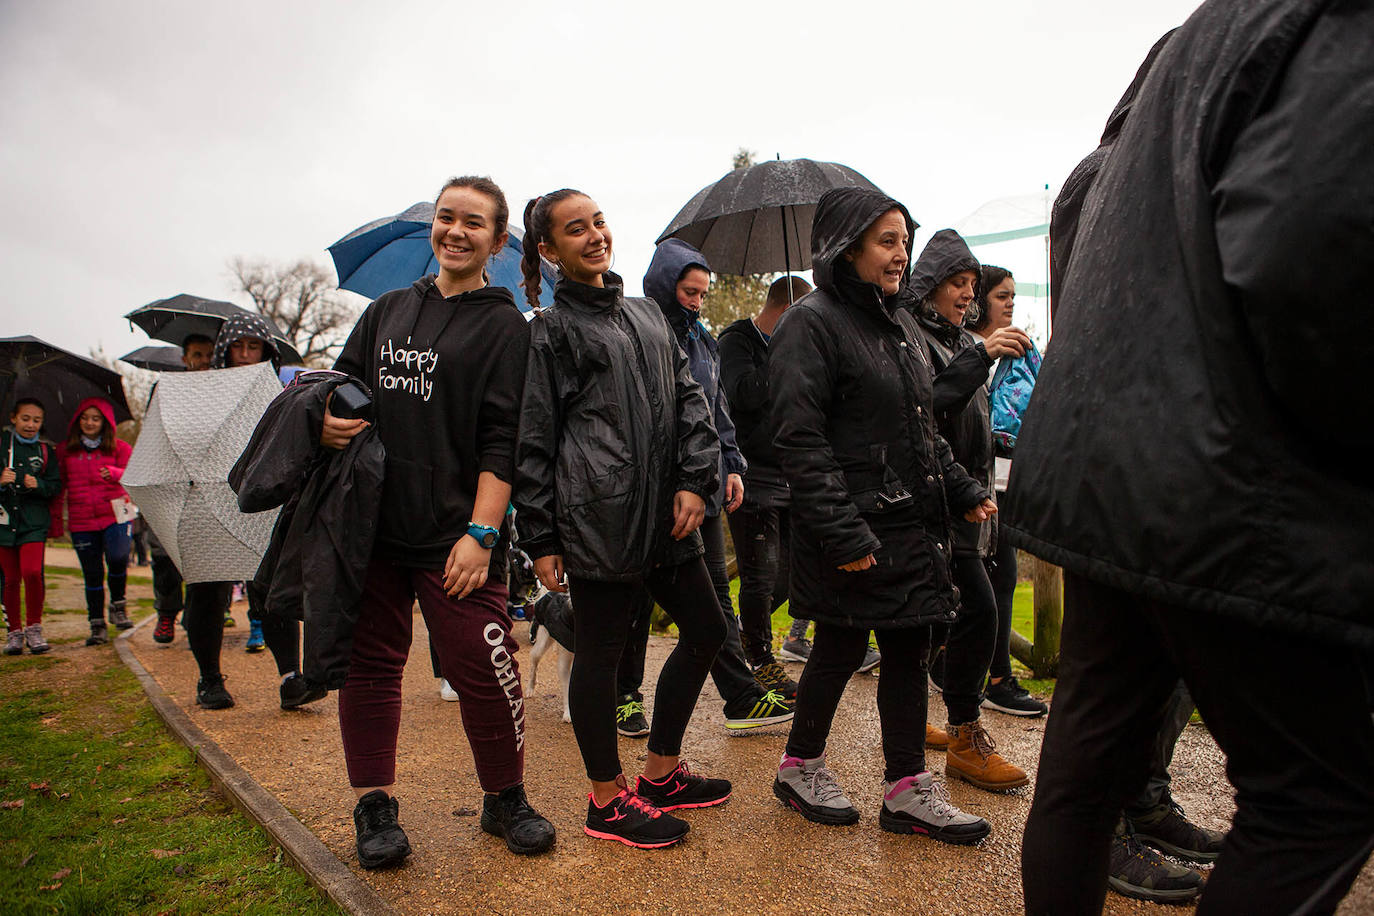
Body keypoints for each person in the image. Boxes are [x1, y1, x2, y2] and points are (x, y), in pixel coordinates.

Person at [1013, 4, 1374, 912]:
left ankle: (1150, 810)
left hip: (1107, 468)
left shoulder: (1195, 53)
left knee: (1088, 761)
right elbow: (1315, 259)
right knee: (1319, 797)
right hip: (1223, 463)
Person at [325, 176, 554, 866]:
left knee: (486, 663)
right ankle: (374, 806)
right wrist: (331, 417)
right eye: (446, 217)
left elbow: (501, 438)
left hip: (455, 533)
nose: (456, 231)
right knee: (370, 666)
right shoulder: (389, 310)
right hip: (372, 527)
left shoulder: (506, 326)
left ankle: (504, 799)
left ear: (496, 239)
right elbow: (344, 383)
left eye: (473, 223)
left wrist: (482, 534)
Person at [768, 186, 995, 843]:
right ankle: (800, 765)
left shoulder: (899, 325)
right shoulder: (809, 324)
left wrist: (957, 487)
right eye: (886, 241)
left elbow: (917, 427)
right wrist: (841, 529)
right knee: (838, 645)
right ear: (848, 247)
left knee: (908, 641)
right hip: (851, 526)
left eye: (904, 240)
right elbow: (798, 439)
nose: (901, 255)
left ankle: (906, 790)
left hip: (907, 523)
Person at [514, 188, 731, 850]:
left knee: (706, 630)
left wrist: (698, 480)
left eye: (599, 222)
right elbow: (534, 440)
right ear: (549, 250)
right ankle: (605, 800)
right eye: (575, 230)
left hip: (668, 514)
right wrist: (542, 537)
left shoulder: (646, 314)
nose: (595, 235)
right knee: (603, 658)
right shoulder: (549, 331)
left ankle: (660, 773)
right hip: (599, 519)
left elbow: (691, 399)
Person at [610, 239, 794, 736]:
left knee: (716, 595)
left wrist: (732, 462)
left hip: (704, 489)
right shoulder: (635, 333)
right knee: (635, 600)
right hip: (652, 492)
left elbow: (717, 410)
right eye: (688, 291)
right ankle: (623, 695)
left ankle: (739, 695)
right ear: (664, 286)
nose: (695, 301)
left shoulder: (705, 342)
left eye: (702, 294)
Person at [907, 231, 1032, 793]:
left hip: (965, 500)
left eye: (972, 286)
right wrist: (979, 356)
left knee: (934, 623)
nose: (968, 295)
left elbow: (968, 422)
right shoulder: (916, 337)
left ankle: (932, 724)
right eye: (959, 284)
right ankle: (964, 734)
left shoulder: (954, 338)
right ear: (932, 284)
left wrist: (1002, 448)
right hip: (936, 504)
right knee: (978, 611)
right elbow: (925, 410)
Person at [180, 313, 318, 712]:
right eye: (237, 347)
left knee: (272, 589)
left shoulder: (282, 392)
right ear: (223, 351)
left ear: (266, 351)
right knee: (208, 590)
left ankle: (291, 677)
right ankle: (209, 678)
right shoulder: (198, 394)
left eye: (253, 346)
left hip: (261, 501)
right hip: (207, 501)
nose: (244, 355)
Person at [719, 276, 816, 668]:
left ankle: (743, 632)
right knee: (759, 573)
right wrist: (782, 356)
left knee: (793, 572)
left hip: (789, 472)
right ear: (785, 309)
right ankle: (759, 659)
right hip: (749, 474)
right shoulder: (736, 341)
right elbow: (740, 394)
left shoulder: (796, 349)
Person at [963, 265, 1046, 718]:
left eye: (1013, 295)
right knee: (991, 580)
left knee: (1001, 578)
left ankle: (983, 673)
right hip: (973, 482)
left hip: (1009, 480)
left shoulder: (1022, 351)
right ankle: (995, 677)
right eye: (1000, 295)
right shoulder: (966, 349)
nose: (1009, 302)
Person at [149, 332, 214, 645]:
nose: (203, 362)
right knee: (165, 556)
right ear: (184, 358)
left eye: (208, 355)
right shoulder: (164, 389)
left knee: (205, 558)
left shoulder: (221, 390)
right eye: (197, 355)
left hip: (206, 486)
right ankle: (166, 611)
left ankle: (198, 615)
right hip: (170, 483)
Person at [60, 398, 134, 646]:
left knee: (118, 558)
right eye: (85, 417)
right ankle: (97, 624)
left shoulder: (120, 448)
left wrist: (114, 474)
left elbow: (134, 475)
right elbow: (58, 486)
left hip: (115, 515)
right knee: (92, 573)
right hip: (82, 521)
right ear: (77, 421)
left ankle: (118, 605)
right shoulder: (66, 451)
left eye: (95, 418)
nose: (90, 423)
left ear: (105, 422)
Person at [2, 398, 60, 655]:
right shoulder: (3, 446)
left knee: (32, 572)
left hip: (33, 523)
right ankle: (14, 632)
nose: (31, 424)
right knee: (11, 579)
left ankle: (34, 627)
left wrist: (39, 485)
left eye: (36, 420)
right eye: (25, 418)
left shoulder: (46, 451)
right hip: (4, 523)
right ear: (14, 417)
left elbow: (56, 486)